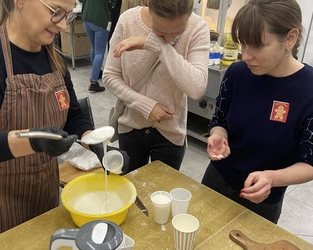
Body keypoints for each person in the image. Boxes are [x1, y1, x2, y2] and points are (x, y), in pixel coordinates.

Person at [0, 0, 128, 248]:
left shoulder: (53, 57)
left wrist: (95, 143)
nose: (62, 24)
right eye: (55, 12)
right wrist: (31, 140)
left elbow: (73, 114)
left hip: (43, 198)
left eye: (68, 14)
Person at [202, 0, 313, 224]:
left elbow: (310, 162)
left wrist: (272, 178)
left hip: (261, 199)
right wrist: (218, 136)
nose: (245, 56)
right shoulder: (237, 73)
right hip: (216, 178)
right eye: (242, 44)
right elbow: (219, 119)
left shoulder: (308, 89)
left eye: (257, 45)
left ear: (290, 38)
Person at [103, 0, 210, 172]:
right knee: (129, 192)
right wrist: (144, 105)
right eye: (159, 31)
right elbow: (110, 75)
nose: (168, 38)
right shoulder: (128, 21)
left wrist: (159, 45)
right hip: (130, 127)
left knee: (163, 194)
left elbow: (196, 88)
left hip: (171, 133)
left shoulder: (197, 27)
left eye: (177, 32)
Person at [80, 0, 116, 92]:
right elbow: (113, 3)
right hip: (101, 20)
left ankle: (95, 73)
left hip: (86, 18)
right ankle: (94, 82)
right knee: (100, 52)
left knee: (94, 47)